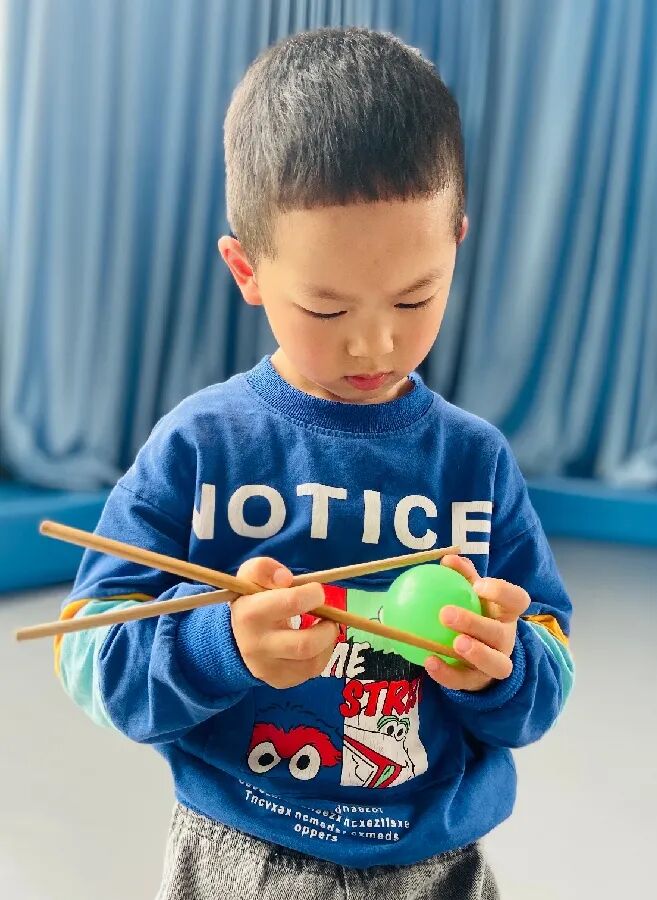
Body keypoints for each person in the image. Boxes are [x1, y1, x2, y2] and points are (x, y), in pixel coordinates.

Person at [56, 26, 574, 899]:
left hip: (437, 865)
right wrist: (222, 644)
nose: (374, 343)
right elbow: (87, 659)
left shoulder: (474, 463)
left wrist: (502, 663)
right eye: (326, 309)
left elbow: (546, 676)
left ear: (456, 242)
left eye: (414, 297)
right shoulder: (199, 447)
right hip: (238, 853)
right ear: (246, 269)